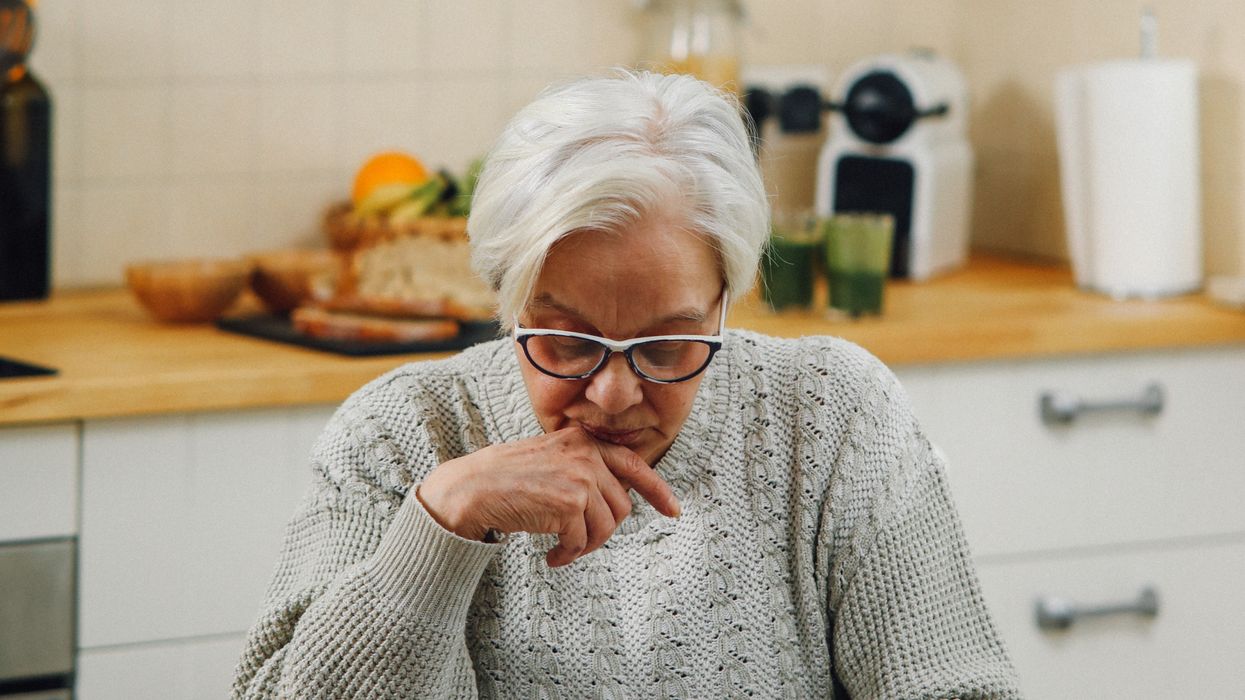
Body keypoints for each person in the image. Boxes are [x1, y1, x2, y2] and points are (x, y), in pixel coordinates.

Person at [232, 70, 1022, 699]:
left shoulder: (833, 416)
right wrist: (439, 525)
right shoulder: (399, 434)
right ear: (506, 304)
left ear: (726, 299)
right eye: (568, 342)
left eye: (669, 343)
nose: (612, 394)